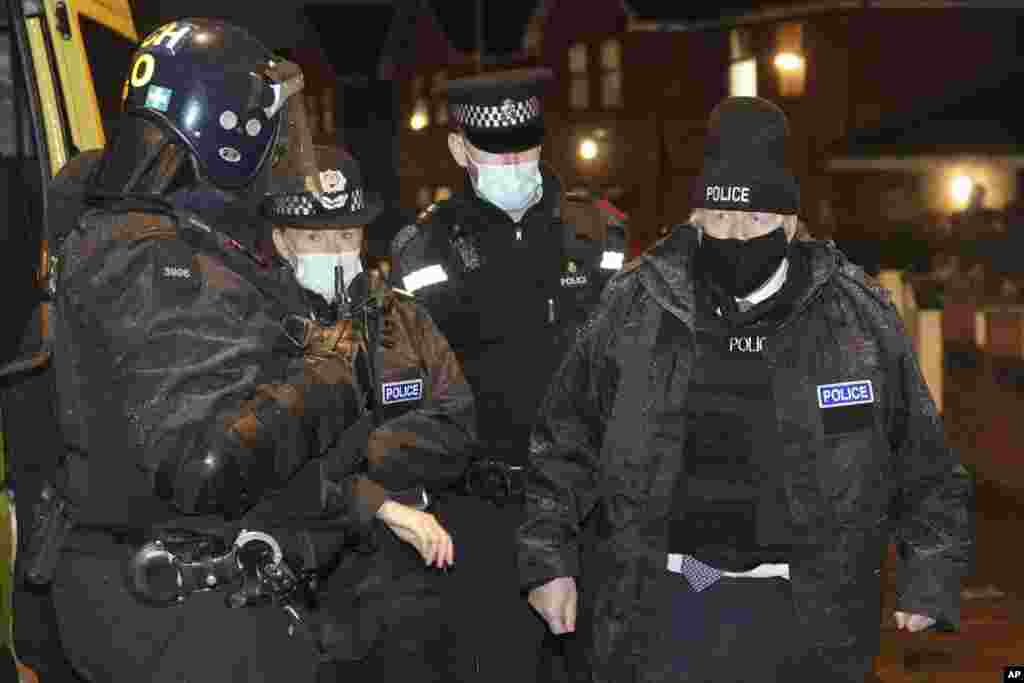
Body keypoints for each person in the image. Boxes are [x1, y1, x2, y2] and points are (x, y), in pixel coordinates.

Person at [519, 96, 972, 682]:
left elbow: (923, 459)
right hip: (664, 612)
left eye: (755, 220)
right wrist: (549, 561)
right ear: (695, 219)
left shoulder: (855, 316)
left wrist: (930, 574)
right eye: (719, 218)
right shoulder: (636, 305)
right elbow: (563, 440)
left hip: (807, 618)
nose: (735, 236)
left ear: (788, 222)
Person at [37, 19, 422, 682]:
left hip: (166, 596)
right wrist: (333, 375)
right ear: (227, 136)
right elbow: (207, 460)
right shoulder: (158, 259)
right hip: (183, 616)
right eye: (268, 132)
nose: (279, 153)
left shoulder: (149, 239)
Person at [389, 68, 626, 682]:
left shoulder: (598, 233)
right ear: (459, 149)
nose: (513, 163)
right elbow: (410, 386)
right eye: (496, 152)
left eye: (524, 148)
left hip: (586, 513)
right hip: (482, 513)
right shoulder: (426, 249)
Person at [261, 142, 476, 681]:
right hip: (308, 580)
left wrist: (354, 451)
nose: (334, 250)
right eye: (315, 237)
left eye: (346, 235)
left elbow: (457, 424)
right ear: (282, 241)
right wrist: (377, 497)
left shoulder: (403, 318)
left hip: (406, 579)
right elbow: (273, 465)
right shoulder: (259, 332)